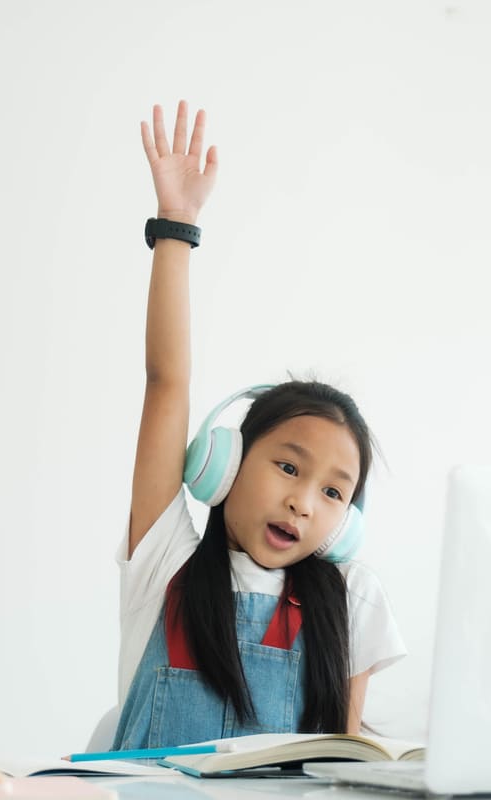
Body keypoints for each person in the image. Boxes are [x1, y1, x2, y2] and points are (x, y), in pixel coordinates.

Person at [111, 100, 405, 750]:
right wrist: (176, 227)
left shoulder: (350, 599)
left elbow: (344, 767)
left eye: (333, 491)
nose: (304, 500)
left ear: (346, 524)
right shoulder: (167, 565)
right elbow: (168, 385)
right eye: (289, 466)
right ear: (224, 463)